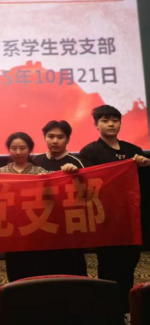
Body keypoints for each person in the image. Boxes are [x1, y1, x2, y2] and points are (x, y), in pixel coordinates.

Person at [79, 105, 150, 316]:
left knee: (129, 263)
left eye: (115, 120)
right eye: (105, 120)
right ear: (96, 125)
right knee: (108, 265)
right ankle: (109, 310)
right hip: (107, 219)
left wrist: (146, 165)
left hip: (131, 218)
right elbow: (88, 183)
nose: (111, 124)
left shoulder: (133, 150)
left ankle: (127, 308)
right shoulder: (89, 151)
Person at [30, 120, 88, 278]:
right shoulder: (35, 160)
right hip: (42, 222)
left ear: (68, 139)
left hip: (67, 225)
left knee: (71, 268)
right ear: (44, 138)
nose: (55, 141)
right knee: (43, 268)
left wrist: (75, 175)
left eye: (60, 137)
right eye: (51, 136)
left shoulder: (76, 162)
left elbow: (86, 193)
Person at [0, 132, 47, 283]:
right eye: (14, 148)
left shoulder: (39, 172)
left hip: (34, 226)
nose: (18, 152)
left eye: (22, 148)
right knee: (14, 266)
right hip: (12, 228)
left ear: (30, 149)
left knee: (35, 267)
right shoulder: (1, 172)